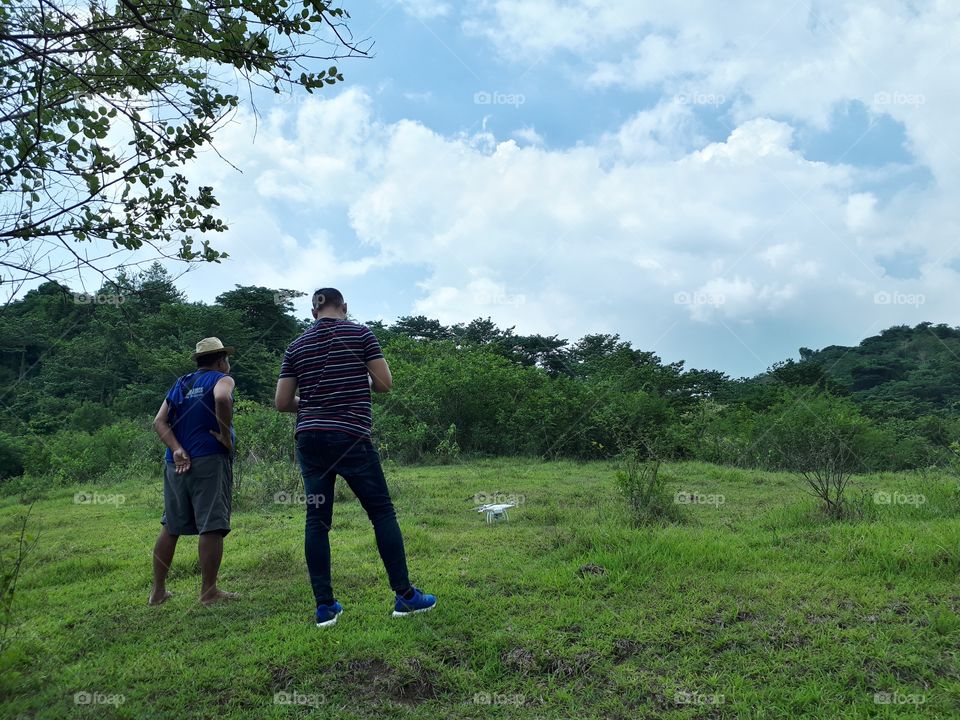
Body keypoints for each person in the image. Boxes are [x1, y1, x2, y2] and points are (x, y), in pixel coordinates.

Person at [275, 288, 436, 627]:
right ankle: (405, 596)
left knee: (317, 521)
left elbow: (282, 402)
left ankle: (325, 607)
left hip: (310, 438)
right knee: (381, 512)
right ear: (344, 307)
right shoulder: (360, 333)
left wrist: (314, 404)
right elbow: (384, 384)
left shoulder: (296, 346)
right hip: (350, 437)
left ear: (313, 312)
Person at [149, 337, 239, 606]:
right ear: (221, 360)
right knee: (211, 525)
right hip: (209, 460)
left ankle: (157, 592)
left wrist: (176, 449)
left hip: (175, 462)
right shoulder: (223, 379)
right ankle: (208, 591)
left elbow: (159, 421)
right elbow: (222, 398)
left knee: (171, 525)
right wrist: (225, 436)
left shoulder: (181, 383)